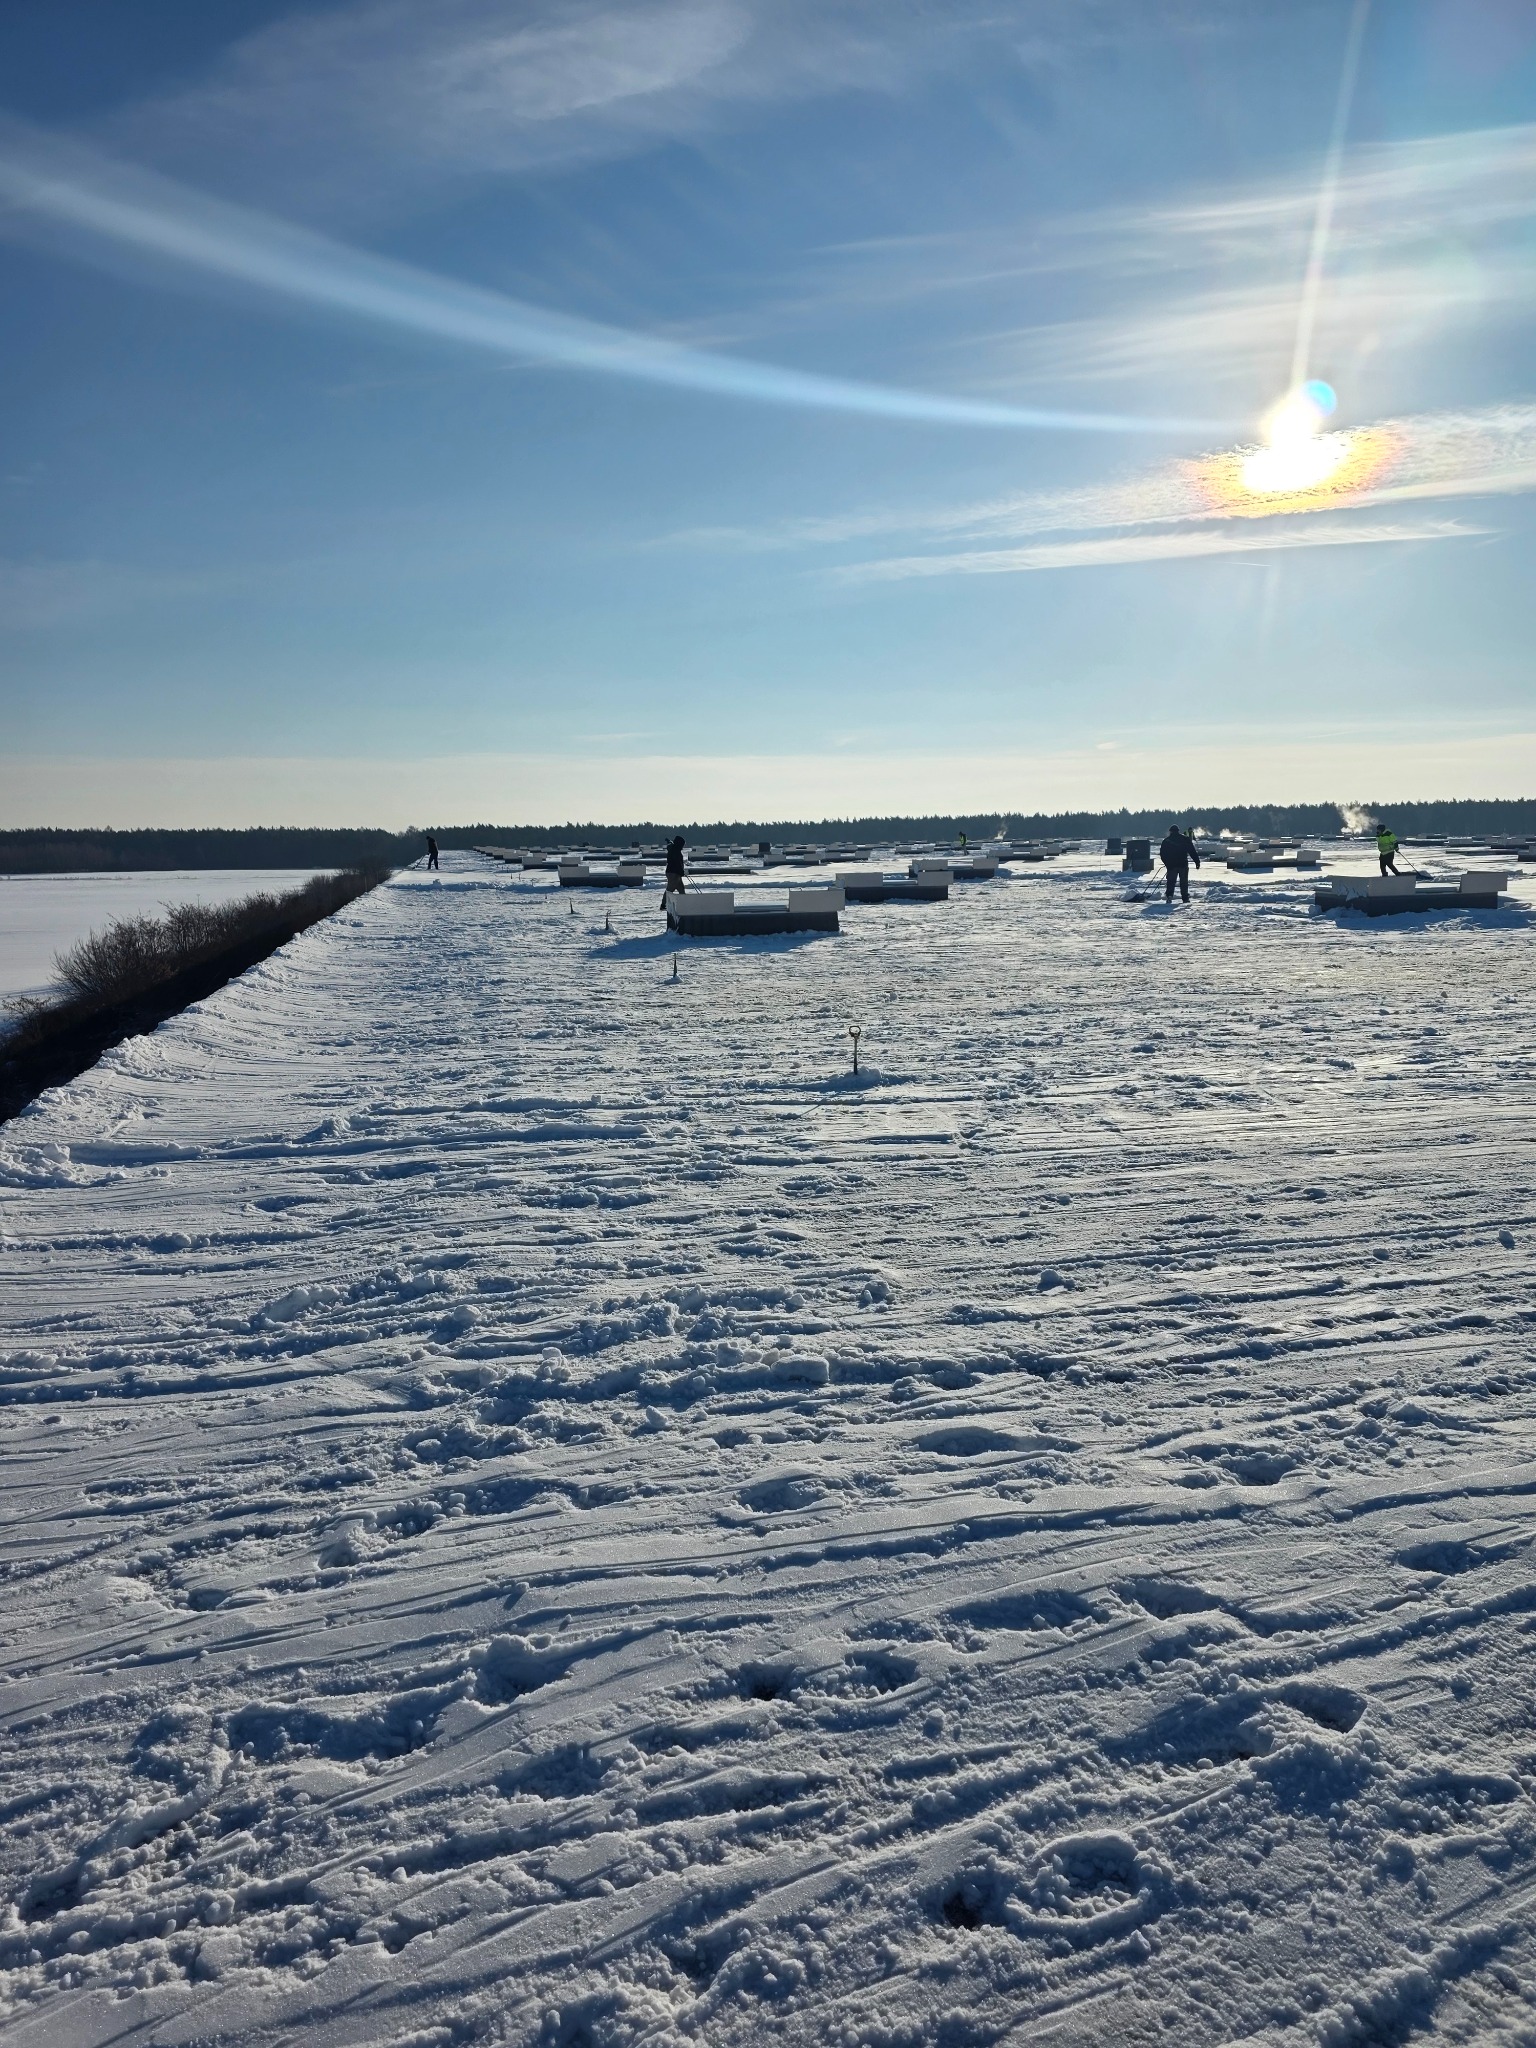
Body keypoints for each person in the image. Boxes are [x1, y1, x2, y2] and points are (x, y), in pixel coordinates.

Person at [1159, 824, 1201, 903]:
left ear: (1170, 831)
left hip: (1172, 866)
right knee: (1184, 882)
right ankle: (1185, 898)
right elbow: (1192, 851)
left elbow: (1162, 854)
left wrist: (1167, 863)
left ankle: (1169, 896)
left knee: (1171, 882)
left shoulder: (1166, 841)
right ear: (1178, 831)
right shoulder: (1185, 839)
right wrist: (1197, 861)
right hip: (1183, 864)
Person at [661, 834, 686, 908]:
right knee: (670, 889)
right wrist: (681, 871)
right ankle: (663, 905)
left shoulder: (672, 847)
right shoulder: (676, 851)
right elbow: (677, 863)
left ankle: (684, 903)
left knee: (681, 889)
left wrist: (668, 840)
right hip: (673, 873)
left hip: (675, 872)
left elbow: (670, 843)